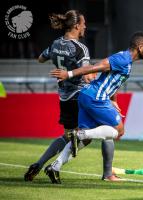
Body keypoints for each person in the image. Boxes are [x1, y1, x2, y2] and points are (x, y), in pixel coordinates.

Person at [46, 31, 143, 183]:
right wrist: (69, 74)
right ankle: (82, 136)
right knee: (119, 131)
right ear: (140, 47)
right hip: (96, 98)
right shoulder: (122, 58)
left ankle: (55, 167)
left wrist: (113, 100)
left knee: (86, 139)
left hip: (87, 96)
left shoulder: (126, 61)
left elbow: (114, 81)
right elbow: (96, 67)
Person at [24, 10, 97, 182]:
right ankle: (55, 166)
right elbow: (86, 74)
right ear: (77, 25)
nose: (85, 26)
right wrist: (95, 69)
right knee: (89, 136)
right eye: (83, 23)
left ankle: (39, 164)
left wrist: (59, 61)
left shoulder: (55, 43)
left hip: (64, 97)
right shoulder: (81, 48)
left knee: (66, 136)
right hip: (79, 96)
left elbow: (41, 58)